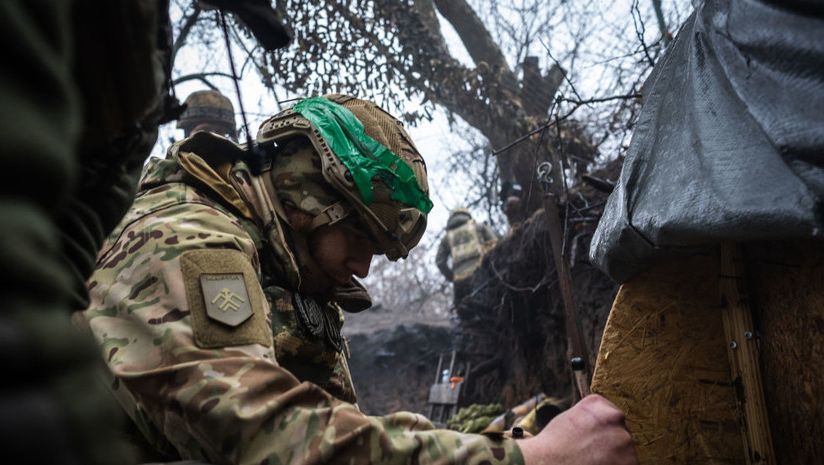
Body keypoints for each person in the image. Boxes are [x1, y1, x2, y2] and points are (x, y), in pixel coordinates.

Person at [75, 94, 637, 465]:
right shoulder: (186, 238)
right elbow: (265, 438)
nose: (365, 268)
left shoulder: (287, 271)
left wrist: (507, 441)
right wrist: (528, 460)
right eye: (362, 238)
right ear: (310, 194)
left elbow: (338, 427)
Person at [0, 2, 291, 465]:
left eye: (215, 130)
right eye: (199, 128)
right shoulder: (160, 193)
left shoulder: (235, 206)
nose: (206, 137)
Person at [436, 206, 498, 308]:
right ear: (467, 215)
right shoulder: (479, 227)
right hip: (482, 275)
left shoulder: (446, 239)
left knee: (465, 312)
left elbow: (439, 262)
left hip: (460, 282)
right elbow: (496, 245)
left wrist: (453, 277)